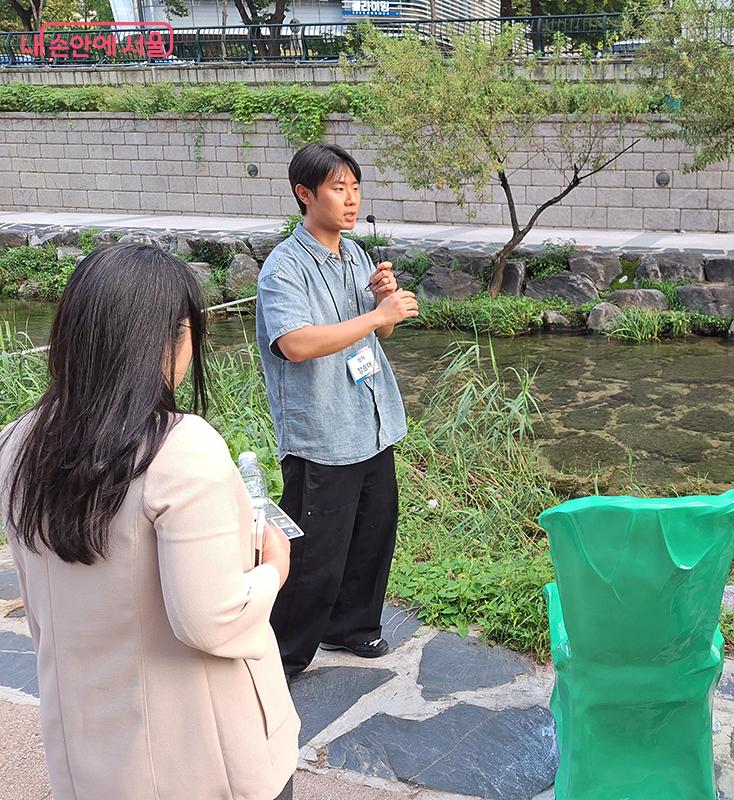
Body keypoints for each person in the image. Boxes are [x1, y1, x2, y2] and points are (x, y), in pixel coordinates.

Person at [0, 244, 300, 800]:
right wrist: (273, 568)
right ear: (171, 337)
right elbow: (210, 620)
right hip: (199, 760)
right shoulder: (180, 449)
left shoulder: (19, 442)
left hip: (85, 747)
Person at [256, 142, 420, 678]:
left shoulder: (357, 256)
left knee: (372, 534)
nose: (350, 200)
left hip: (371, 422)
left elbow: (382, 335)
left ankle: (351, 628)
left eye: (355, 188)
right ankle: (281, 653)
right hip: (322, 431)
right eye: (338, 189)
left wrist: (382, 306)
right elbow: (296, 343)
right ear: (306, 194)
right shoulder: (284, 268)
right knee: (313, 554)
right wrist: (377, 317)